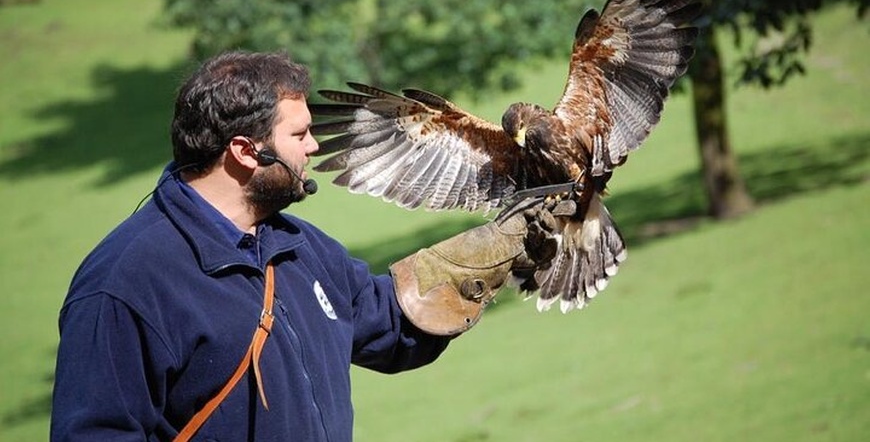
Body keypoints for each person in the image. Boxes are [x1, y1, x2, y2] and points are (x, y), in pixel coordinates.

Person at [51, 50, 554, 441]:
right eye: (300, 134)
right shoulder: (126, 282)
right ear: (246, 152)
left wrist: (501, 249)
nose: (313, 146)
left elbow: (391, 323)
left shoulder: (298, 246)